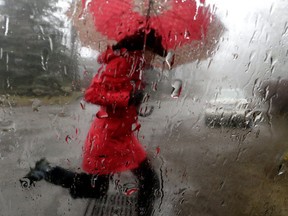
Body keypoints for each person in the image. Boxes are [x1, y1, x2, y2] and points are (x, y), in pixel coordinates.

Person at [21, 29, 167, 216]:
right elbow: (91, 94)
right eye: (152, 54)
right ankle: (45, 170)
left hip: (123, 136)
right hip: (107, 137)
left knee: (150, 180)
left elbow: (123, 102)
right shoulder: (120, 63)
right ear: (142, 49)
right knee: (96, 189)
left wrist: (136, 104)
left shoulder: (135, 67)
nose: (152, 59)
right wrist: (128, 97)